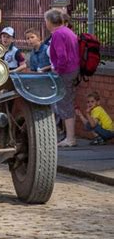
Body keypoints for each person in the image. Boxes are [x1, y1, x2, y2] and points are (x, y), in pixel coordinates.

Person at [44, 8, 80, 147]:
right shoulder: (66, 31)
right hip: (72, 70)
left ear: (49, 21)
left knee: (65, 103)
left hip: (65, 72)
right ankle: (69, 136)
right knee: (67, 102)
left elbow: (62, 56)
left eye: (45, 21)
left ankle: (70, 138)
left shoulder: (58, 34)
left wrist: (57, 70)